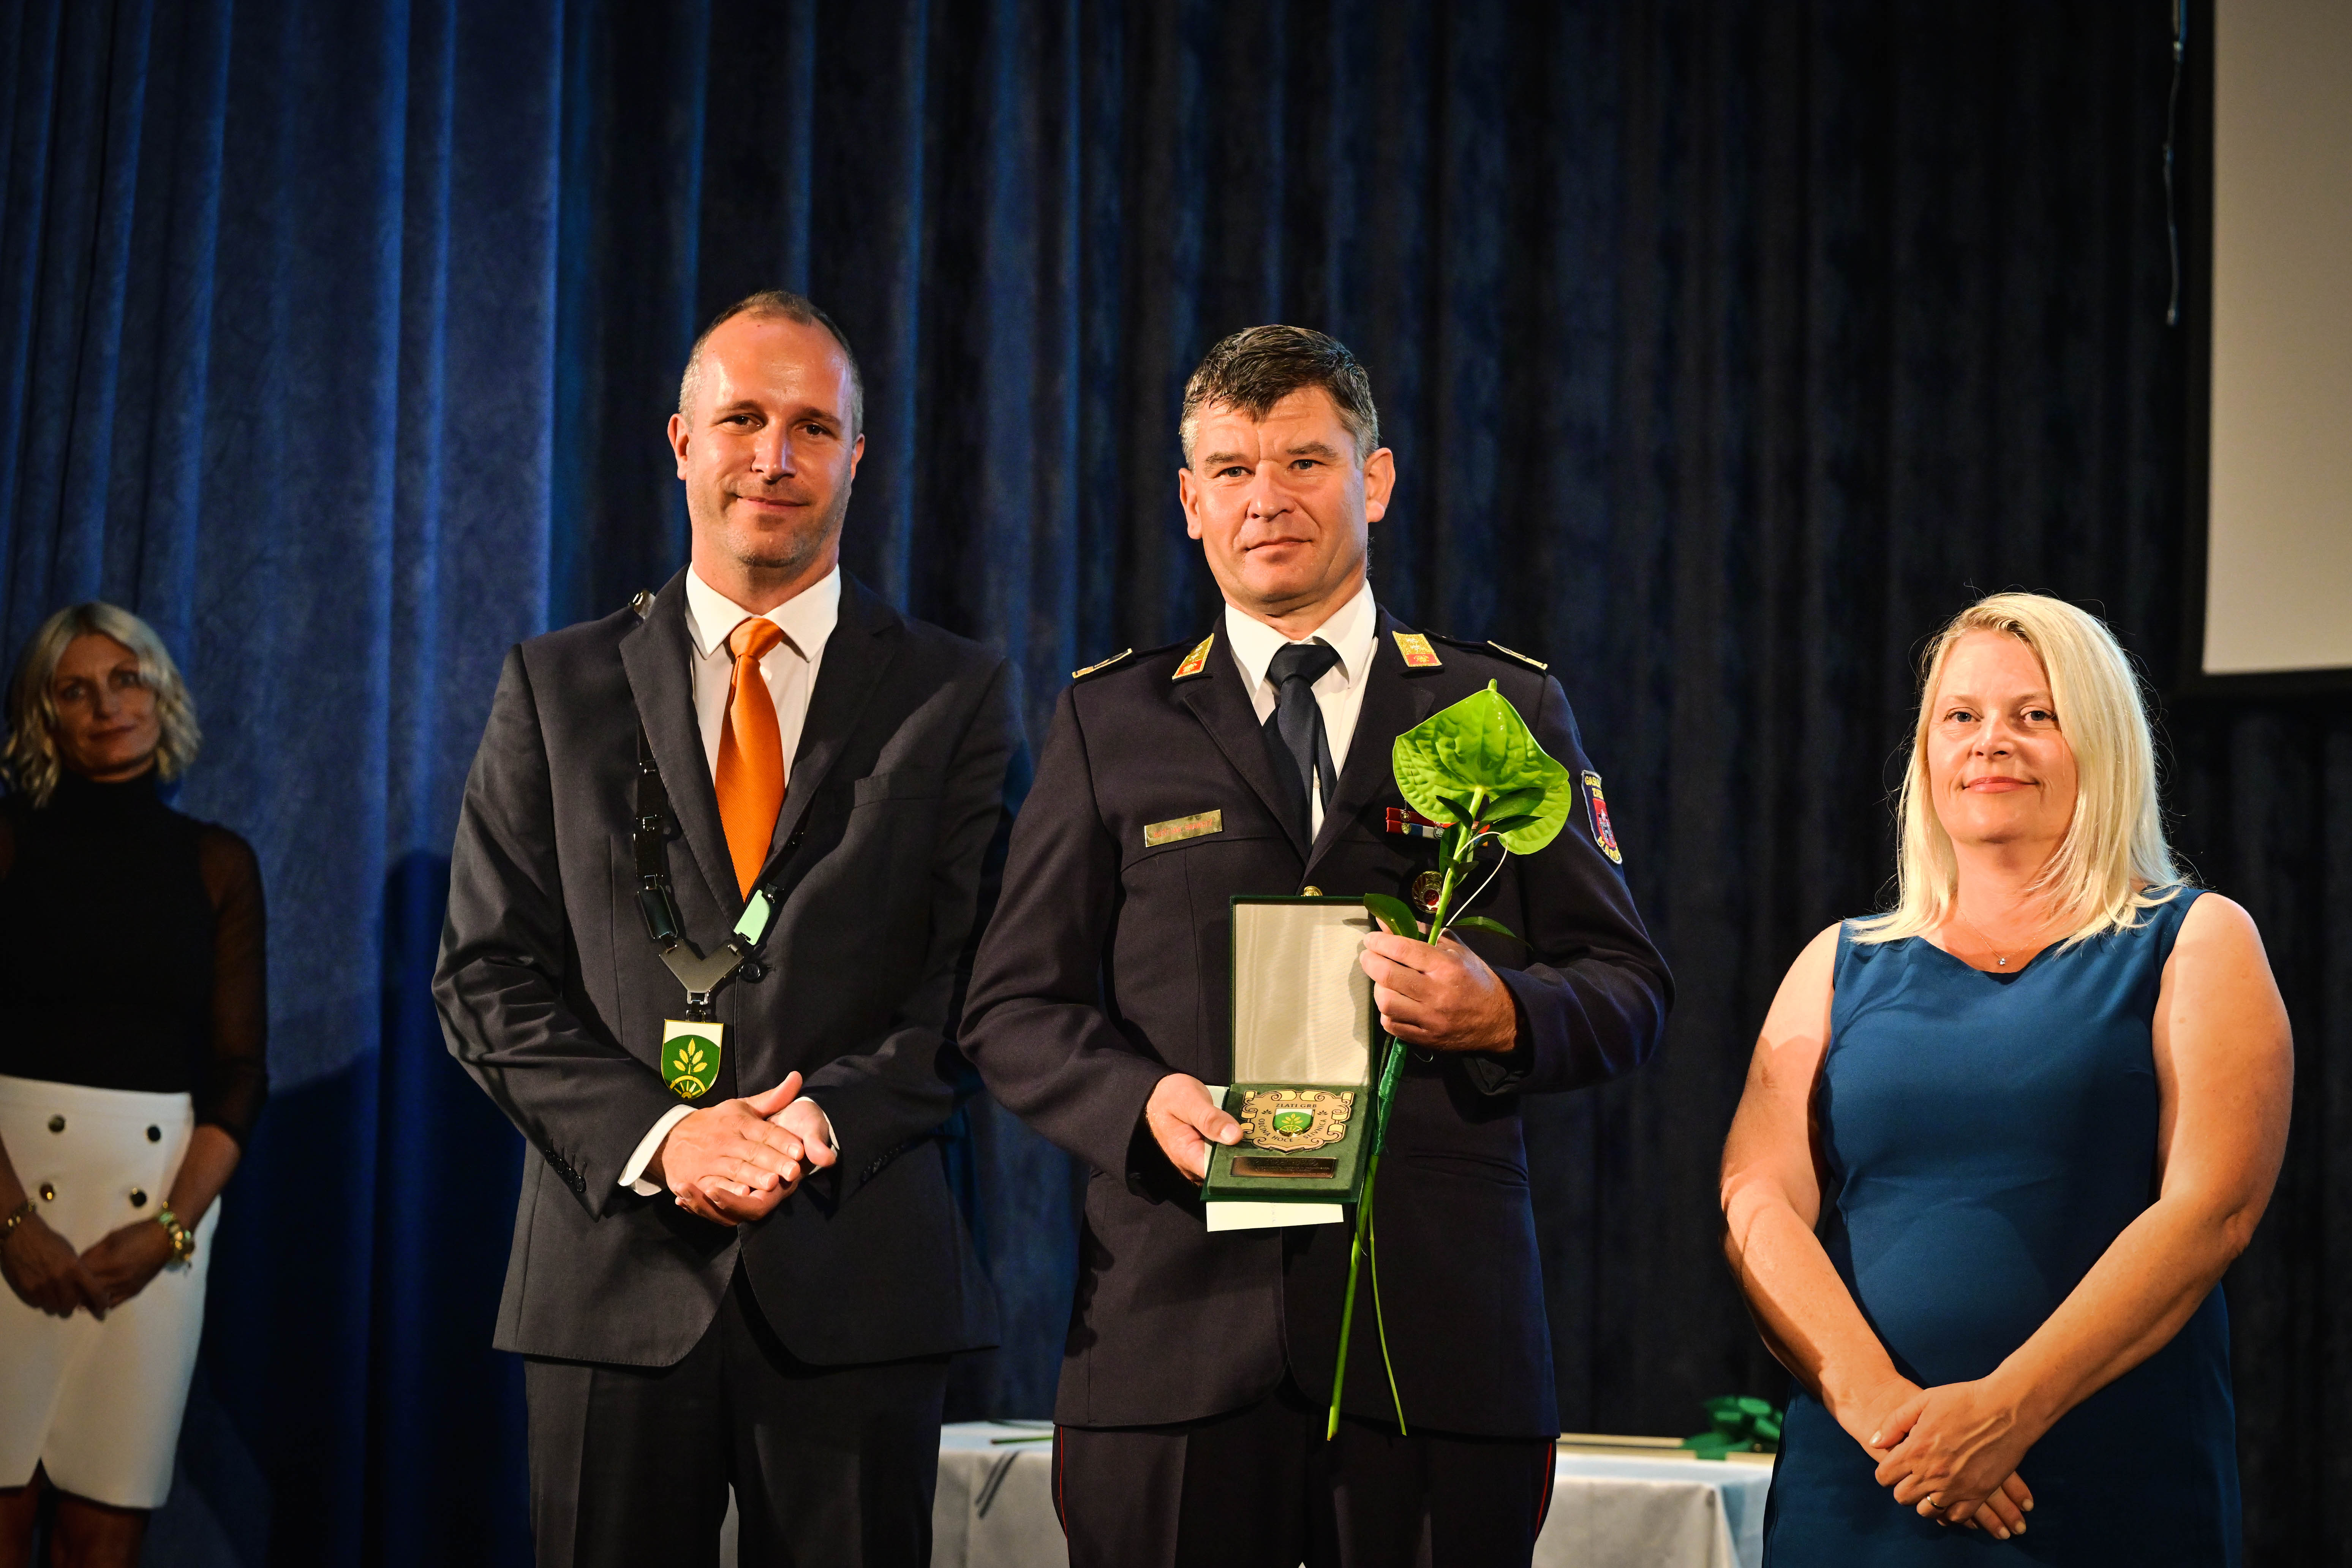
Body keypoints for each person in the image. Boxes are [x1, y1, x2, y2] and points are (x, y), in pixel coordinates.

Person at [957, 324, 1672, 1567]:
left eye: (1304, 461)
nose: (1267, 499)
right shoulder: (1108, 719)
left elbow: (1629, 987)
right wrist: (1143, 1104)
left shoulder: (1499, 704)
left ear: (1373, 479)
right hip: (1173, 1338)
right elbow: (1012, 1007)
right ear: (1191, 502)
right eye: (1232, 470)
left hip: (1434, 1340)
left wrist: (1502, 1009)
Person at [435, 290, 1020, 1567]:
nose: (774, 456)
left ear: (857, 457)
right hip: (610, 1277)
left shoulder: (955, 693)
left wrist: (818, 1121)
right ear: (681, 441)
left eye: (813, 427)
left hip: (856, 1272)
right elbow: (484, 976)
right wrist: (669, 1135)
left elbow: (978, 982)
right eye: (744, 418)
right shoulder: (556, 686)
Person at [1720, 592, 2292, 1563]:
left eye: (2037, 714)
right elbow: (1757, 1201)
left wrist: (2005, 1414)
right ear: (1926, 754)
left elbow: (2211, 1212)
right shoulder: (1837, 962)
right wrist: (1893, 1419)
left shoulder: (2196, 940)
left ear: (2102, 744)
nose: (1993, 741)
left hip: (2102, 1482)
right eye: (1962, 715)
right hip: (1867, 1480)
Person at [0, 604, 266, 1568]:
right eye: (75, 690)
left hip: (156, 1221)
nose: (108, 706)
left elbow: (241, 1075)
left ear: (162, 692)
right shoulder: (7, 844)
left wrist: (169, 1231)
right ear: (44, 718)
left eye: (127, 679)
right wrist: (12, 1223)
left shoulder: (218, 862)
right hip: (7, 1212)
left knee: (104, 1536)